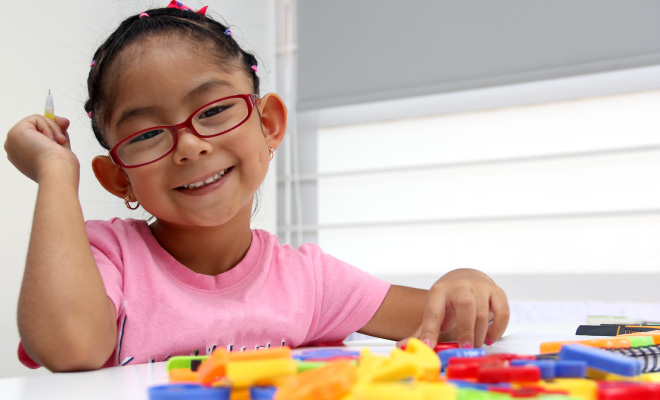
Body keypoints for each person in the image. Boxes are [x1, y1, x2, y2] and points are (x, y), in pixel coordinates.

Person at [4, 3, 509, 372]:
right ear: (119, 178)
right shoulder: (107, 258)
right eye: (149, 134)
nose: (190, 146)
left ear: (267, 124)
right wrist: (55, 174)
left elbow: (455, 325)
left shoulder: (309, 282)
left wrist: (467, 282)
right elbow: (68, 348)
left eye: (215, 110)